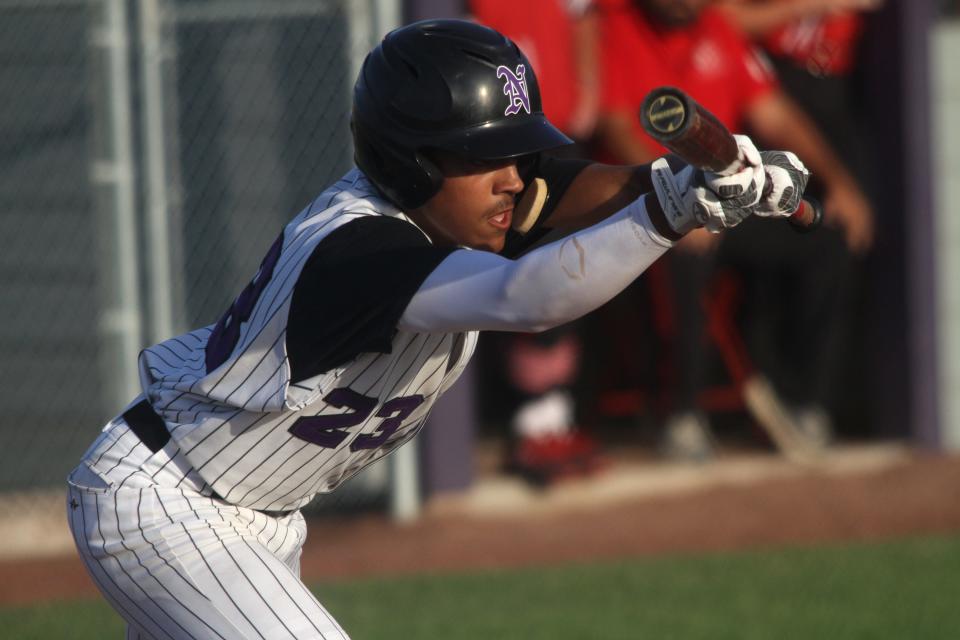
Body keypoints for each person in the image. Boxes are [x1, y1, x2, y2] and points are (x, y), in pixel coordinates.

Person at [66, 19, 808, 638]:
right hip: (172, 501)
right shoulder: (357, 249)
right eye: (484, 156)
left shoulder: (456, 201)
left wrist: (689, 180)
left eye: (513, 152)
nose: (510, 177)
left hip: (257, 516)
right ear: (409, 163)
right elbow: (530, 298)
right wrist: (671, 214)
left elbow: (563, 183)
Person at [593, 0, 873, 459]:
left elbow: (775, 115)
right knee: (687, 251)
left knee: (829, 239)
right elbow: (617, 127)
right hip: (645, 205)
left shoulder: (719, 28)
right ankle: (684, 415)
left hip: (724, 203)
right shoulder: (616, 25)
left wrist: (841, 183)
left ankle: (805, 401)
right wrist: (677, 202)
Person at [468, 0, 603, 484]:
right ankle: (530, 419)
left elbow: (583, 15)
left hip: (559, 133)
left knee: (574, 270)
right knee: (521, 273)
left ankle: (554, 414)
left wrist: (589, 90)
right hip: (507, 143)